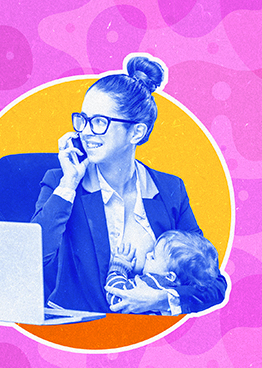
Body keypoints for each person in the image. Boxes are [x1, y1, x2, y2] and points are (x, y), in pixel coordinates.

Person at [31, 53, 227, 314]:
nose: (86, 131)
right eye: (83, 119)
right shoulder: (61, 182)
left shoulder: (170, 191)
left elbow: (212, 283)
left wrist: (163, 299)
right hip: (78, 328)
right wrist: (69, 183)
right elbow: (30, 260)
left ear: (136, 132)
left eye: (100, 122)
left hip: (142, 333)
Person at [105, 231, 226, 315]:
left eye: (153, 256)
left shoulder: (150, 281)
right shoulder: (181, 285)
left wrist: (119, 267)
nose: (147, 255)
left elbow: (115, 296)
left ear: (169, 276)